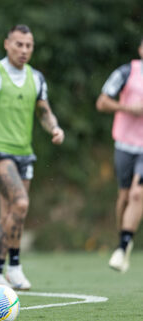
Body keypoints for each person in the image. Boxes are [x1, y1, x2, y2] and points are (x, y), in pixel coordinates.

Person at [0, 24, 64, 290]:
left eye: (28, 45)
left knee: (13, 213)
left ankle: (11, 269)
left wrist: (54, 127)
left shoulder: (36, 78)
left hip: (24, 154)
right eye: (19, 44)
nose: (24, 50)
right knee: (20, 203)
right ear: (7, 43)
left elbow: (44, 111)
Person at [96, 37, 143, 273]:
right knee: (124, 197)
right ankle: (123, 239)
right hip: (125, 144)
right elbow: (102, 102)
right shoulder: (127, 72)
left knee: (138, 193)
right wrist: (128, 109)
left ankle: (122, 247)